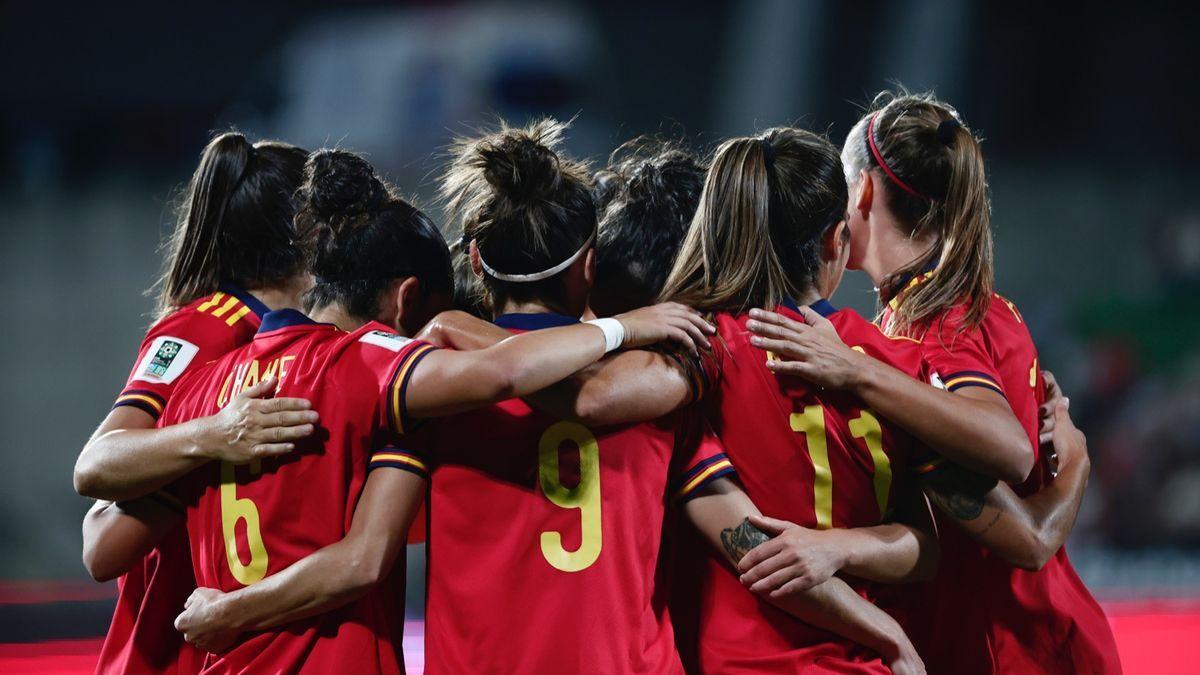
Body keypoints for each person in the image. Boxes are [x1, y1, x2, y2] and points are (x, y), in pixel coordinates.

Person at [155, 148, 710, 674]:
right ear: (588, 266)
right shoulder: (660, 378)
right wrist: (624, 330)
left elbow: (105, 535)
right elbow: (362, 560)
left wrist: (224, 605)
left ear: (474, 258)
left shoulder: (203, 388)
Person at [745, 91, 1120, 674]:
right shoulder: (969, 307)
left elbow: (1013, 466)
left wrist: (1078, 463)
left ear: (863, 190)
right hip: (1036, 640)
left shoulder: (930, 328)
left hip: (1013, 652)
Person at [653, 125, 1036, 673]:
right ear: (837, 240)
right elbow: (927, 548)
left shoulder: (697, 353)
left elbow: (738, 537)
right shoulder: (897, 362)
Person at [73, 132, 320, 675]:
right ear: (307, 230)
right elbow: (97, 466)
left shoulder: (310, 344)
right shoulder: (208, 327)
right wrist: (216, 435)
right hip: (169, 656)